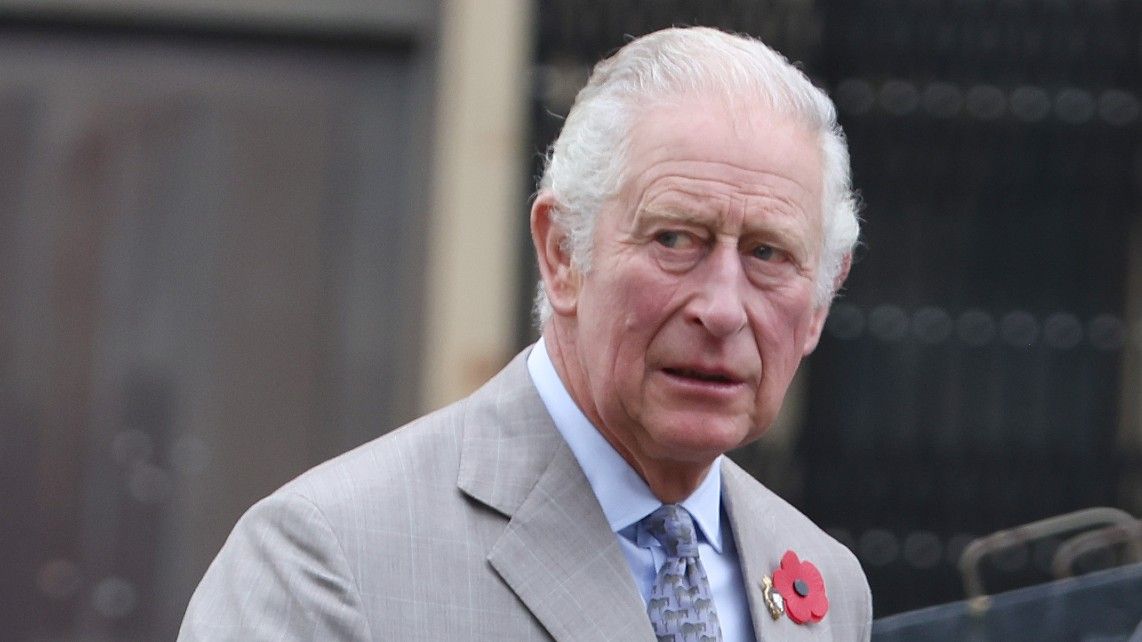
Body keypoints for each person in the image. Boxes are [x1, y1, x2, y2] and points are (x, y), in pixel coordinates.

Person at [179, 26, 871, 641]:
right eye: (674, 239)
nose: (722, 309)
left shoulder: (827, 585)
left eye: (768, 254)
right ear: (563, 253)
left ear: (817, 306)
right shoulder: (328, 559)